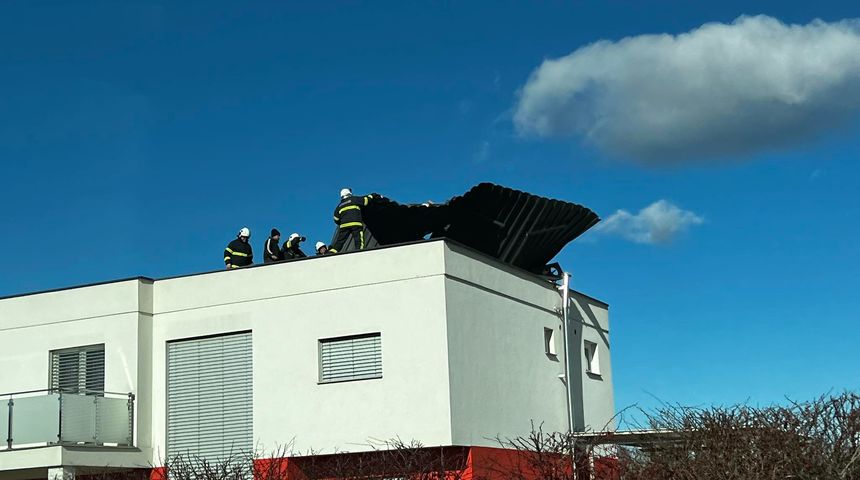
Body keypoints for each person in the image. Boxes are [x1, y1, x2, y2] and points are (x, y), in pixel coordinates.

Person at [330, 188, 379, 253]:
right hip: (355, 224)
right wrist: (372, 195)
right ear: (349, 193)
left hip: (344, 226)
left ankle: (333, 252)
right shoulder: (354, 199)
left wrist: (342, 222)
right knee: (358, 239)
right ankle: (359, 251)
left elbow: (336, 219)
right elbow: (365, 201)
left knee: (340, 241)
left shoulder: (339, 205)